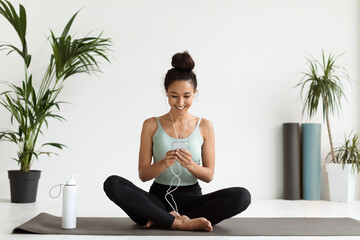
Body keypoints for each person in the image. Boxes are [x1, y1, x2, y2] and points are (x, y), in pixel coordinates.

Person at [104, 51, 251, 232]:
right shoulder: (151, 124)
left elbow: (208, 175)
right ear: (166, 93)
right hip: (156, 202)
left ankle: (164, 221)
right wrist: (164, 162)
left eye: (187, 96)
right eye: (174, 95)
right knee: (112, 183)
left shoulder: (205, 126)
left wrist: (190, 165)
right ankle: (177, 222)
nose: (180, 102)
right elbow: (143, 174)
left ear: (194, 93)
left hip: (193, 204)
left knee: (242, 196)